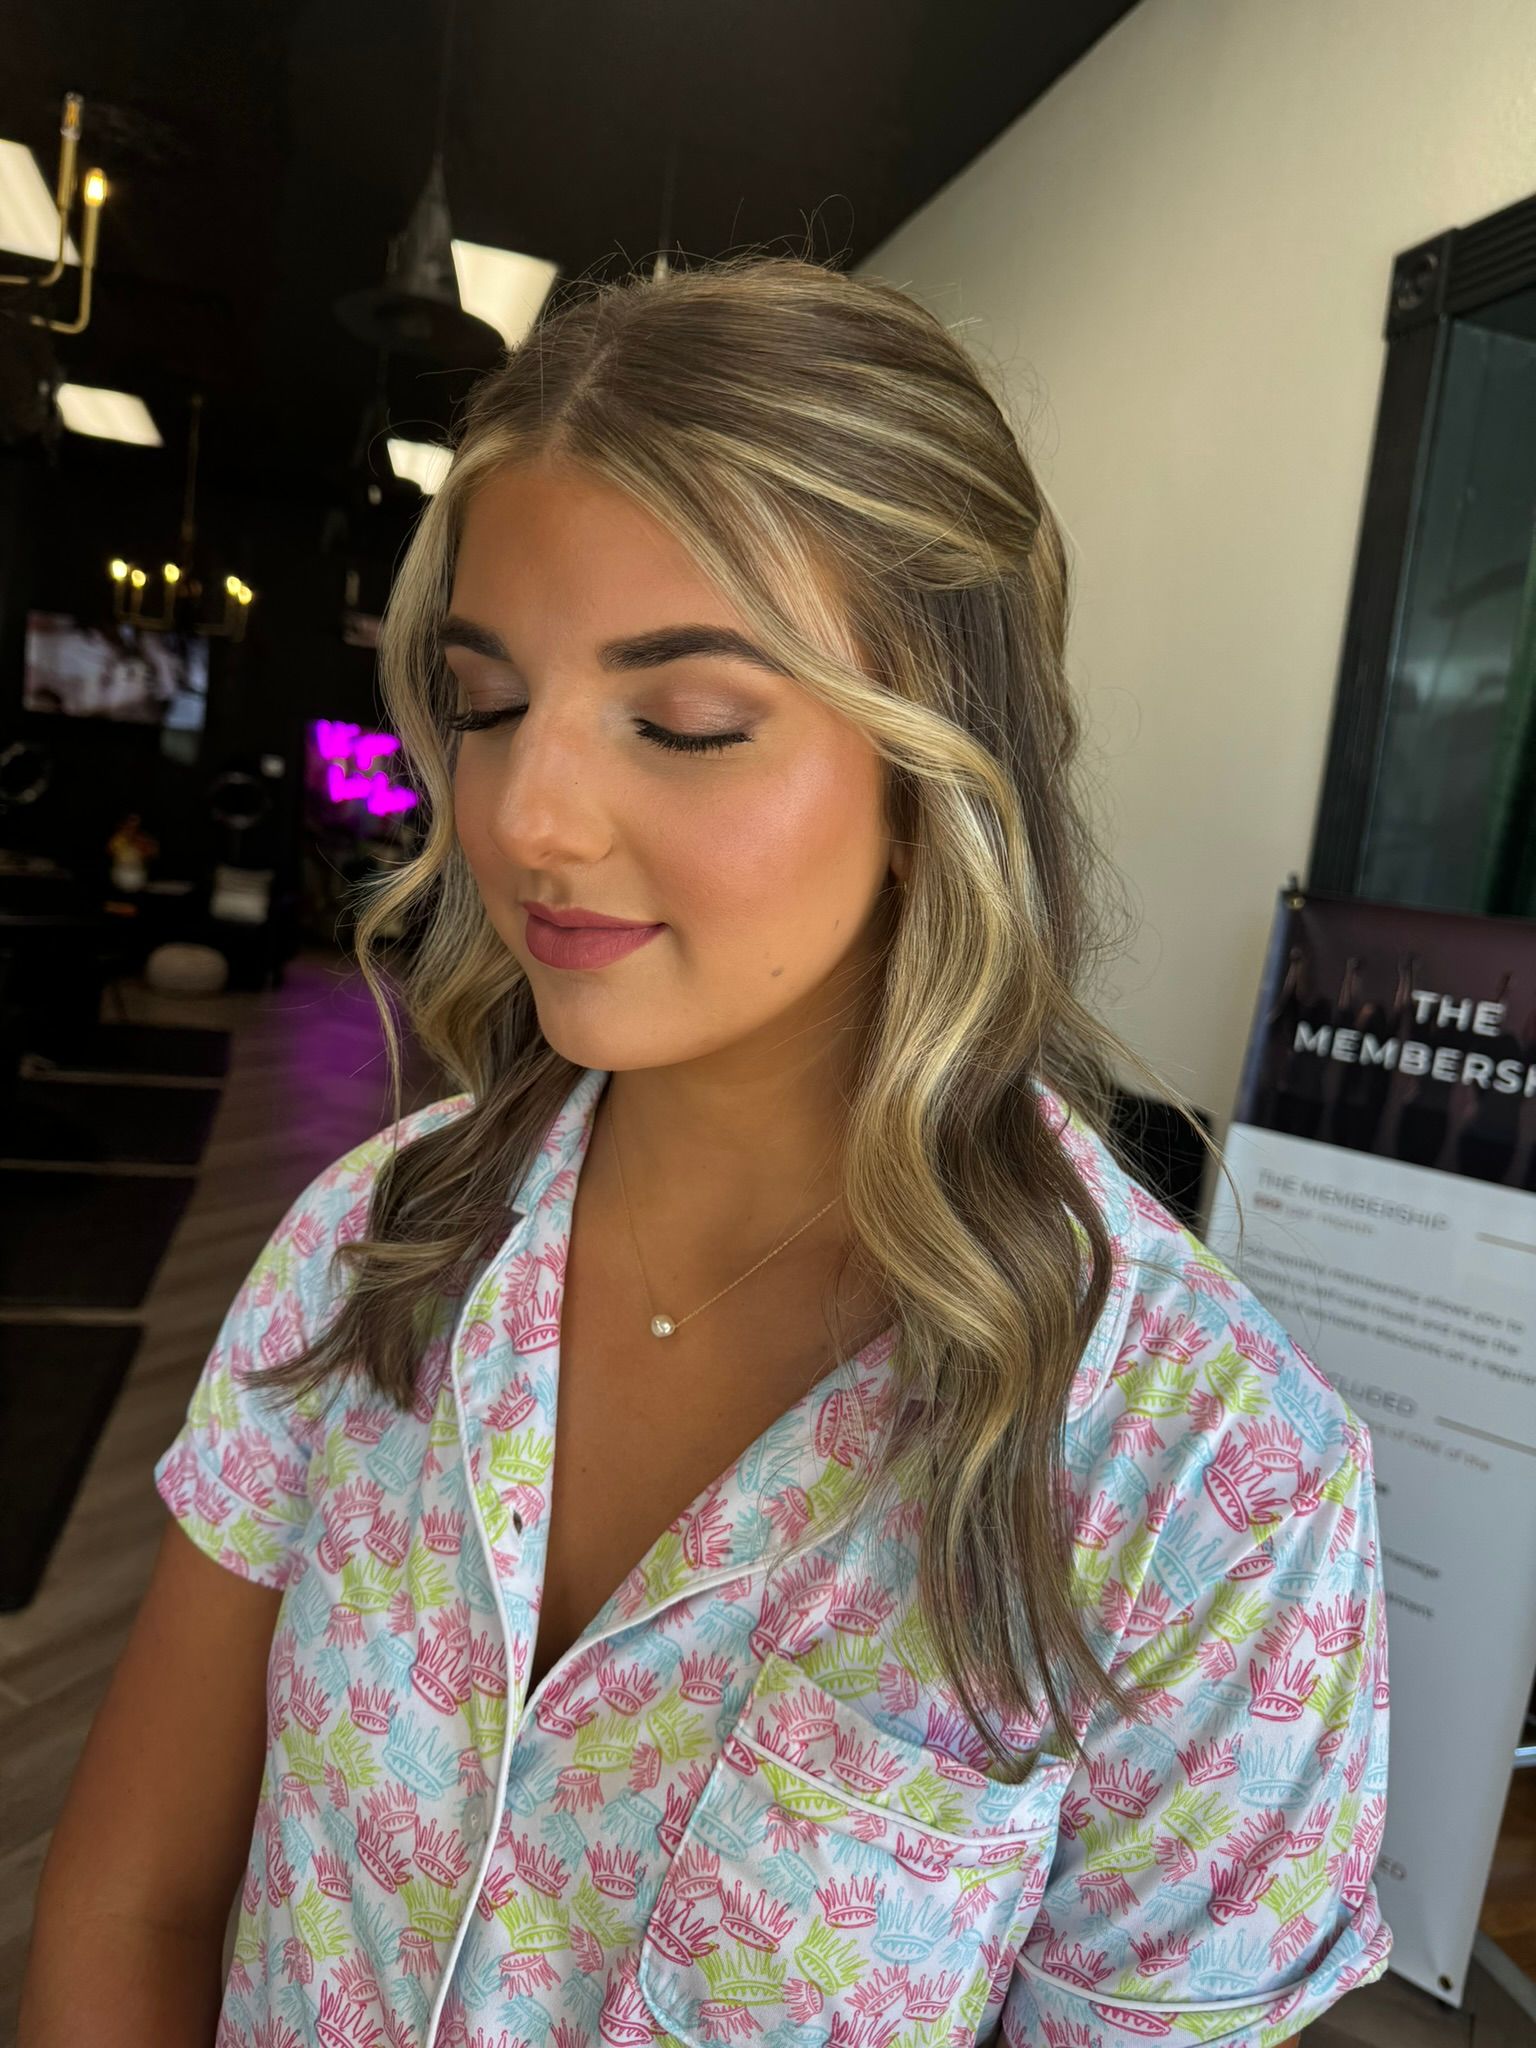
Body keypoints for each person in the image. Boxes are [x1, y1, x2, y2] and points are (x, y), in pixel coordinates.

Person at [20, 252, 1390, 2048]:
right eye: (489, 702)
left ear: (940, 767)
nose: (525, 813)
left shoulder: (1209, 1486)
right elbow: (138, 1899)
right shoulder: (379, 1243)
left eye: (685, 723)